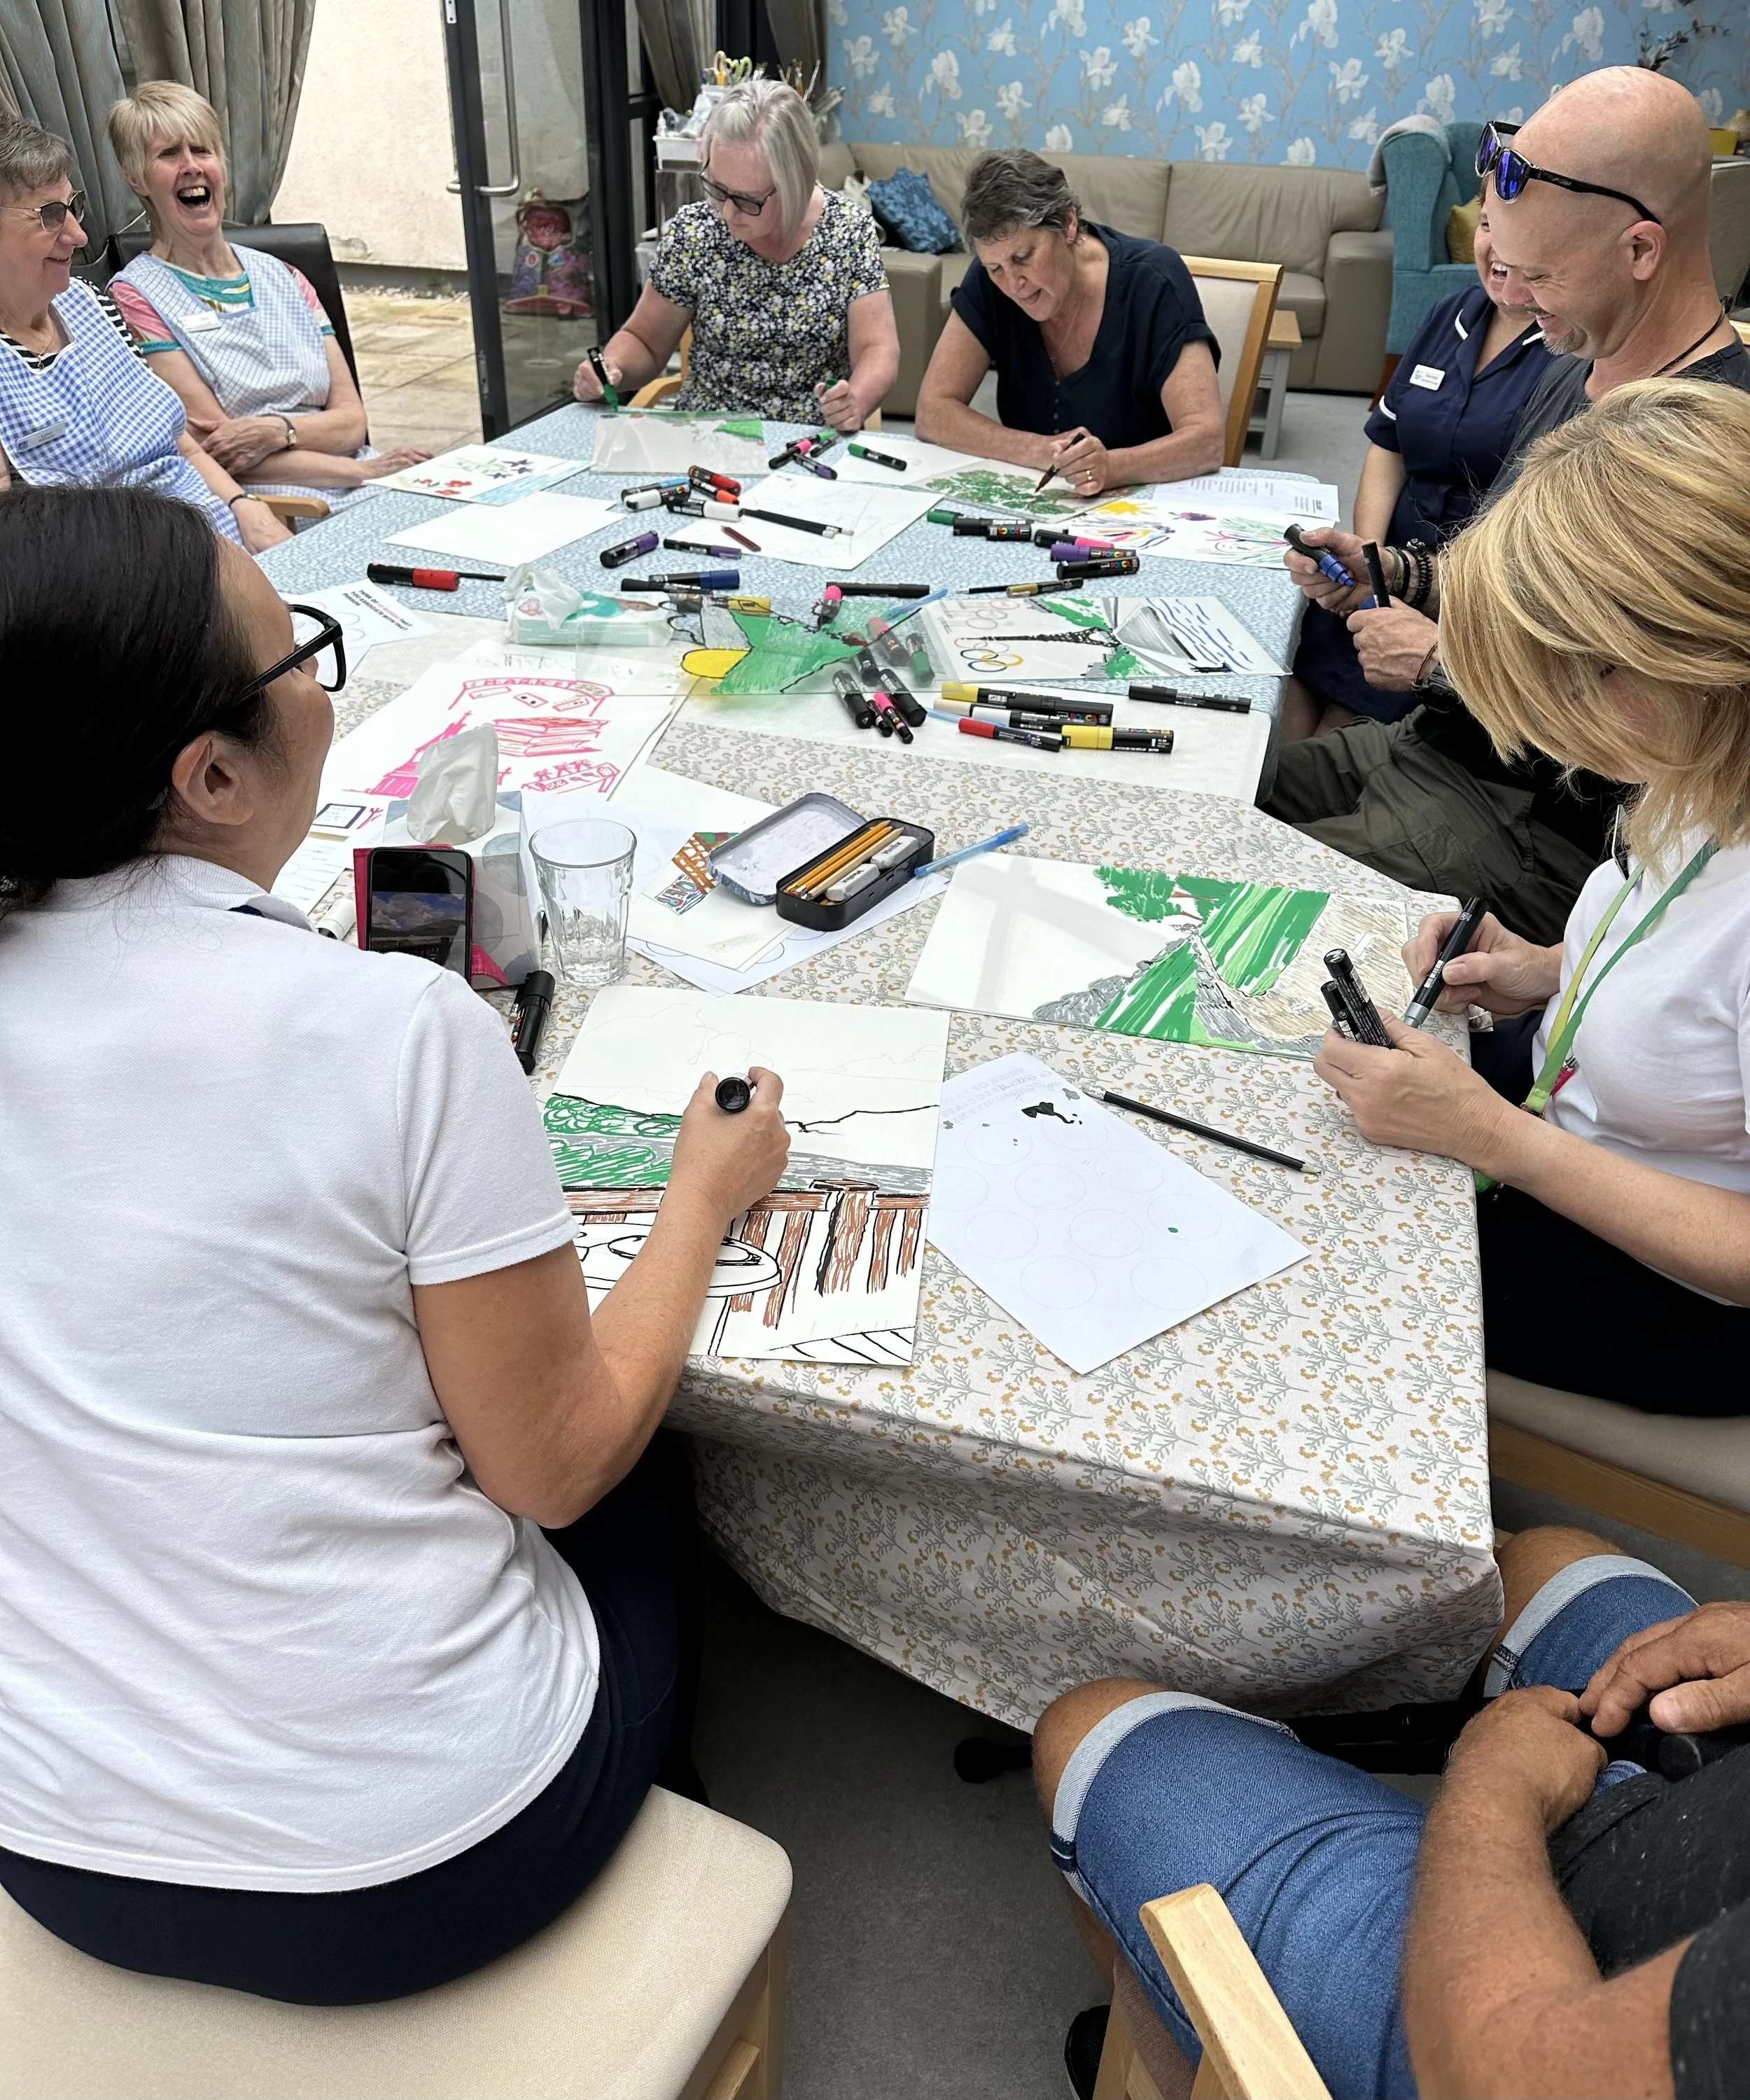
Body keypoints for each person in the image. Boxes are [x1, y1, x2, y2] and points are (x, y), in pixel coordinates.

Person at [0, 482, 790, 2003]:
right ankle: (644, 1880)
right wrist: (700, 1195)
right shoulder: (396, 1030)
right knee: (640, 1464)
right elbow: (549, 1465)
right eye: (299, 653)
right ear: (212, 775)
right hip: (404, 1870)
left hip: (50, 1846)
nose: (319, 681)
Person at [1315, 377, 1750, 1412]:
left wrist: (1495, 1137)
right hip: (1573, 1124)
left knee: (1325, 1257)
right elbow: (1681, 941)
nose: (1553, 725)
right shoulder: (1704, 762)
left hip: (1678, 1293)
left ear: (1694, 658)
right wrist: (1542, 970)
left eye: (1573, 678)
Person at [1266, 66, 1749, 946]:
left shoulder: (1717, 443)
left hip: (1533, 828)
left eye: (1540, 275)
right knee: (1214, 788)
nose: (1514, 300)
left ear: (1642, 251)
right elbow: (1506, 584)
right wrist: (1393, 571)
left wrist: (1443, 663)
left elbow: (1680, 734)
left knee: (1232, 905)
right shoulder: (1571, 368)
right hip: (1430, 746)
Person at [1039, 1524, 1750, 2100]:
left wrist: (1491, 1785)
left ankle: (1170, 2049)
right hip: (1698, 1800)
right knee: (1550, 1559)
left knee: (1087, 1730)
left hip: (1519, 2012)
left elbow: (1502, 2078)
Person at [1282, 205, 1548, 741]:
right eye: (1489, 224)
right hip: (1380, 578)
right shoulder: (1451, 313)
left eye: (1520, 229)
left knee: (1331, 743)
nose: (1496, 247)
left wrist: (1395, 586)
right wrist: (1370, 557)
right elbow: (1389, 444)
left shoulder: (1575, 354)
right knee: (1275, 706)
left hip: (1465, 604)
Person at [106, 83, 428, 510]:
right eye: (168, 154)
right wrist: (361, 472)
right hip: (274, 506)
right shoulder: (135, 298)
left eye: (202, 150)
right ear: (135, 177)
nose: (191, 166)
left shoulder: (287, 276)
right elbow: (220, 452)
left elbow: (353, 422)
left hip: (364, 478)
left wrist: (278, 431)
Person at [0, 114, 287, 553]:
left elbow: (177, 443)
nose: (78, 236)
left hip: (219, 543)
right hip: (129, 588)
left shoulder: (89, 302)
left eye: (72, 207)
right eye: (50, 216)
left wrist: (244, 504)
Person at [573, 78, 897, 430]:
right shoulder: (695, 232)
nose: (726, 213)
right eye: (716, 188)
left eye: (746, 200)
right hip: (707, 433)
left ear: (796, 183)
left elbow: (877, 349)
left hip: (808, 438)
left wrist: (855, 401)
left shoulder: (847, 231)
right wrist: (610, 368)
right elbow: (646, 342)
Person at [913, 150, 1226, 496]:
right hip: (1039, 502)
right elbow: (933, 412)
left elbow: (1207, 441)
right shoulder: (990, 283)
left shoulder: (1154, 280)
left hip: (1146, 506)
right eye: (996, 268)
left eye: (1024, 257)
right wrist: (1036, 449)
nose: (1013, 285)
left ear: (1067, 223)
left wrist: (1113, 467)